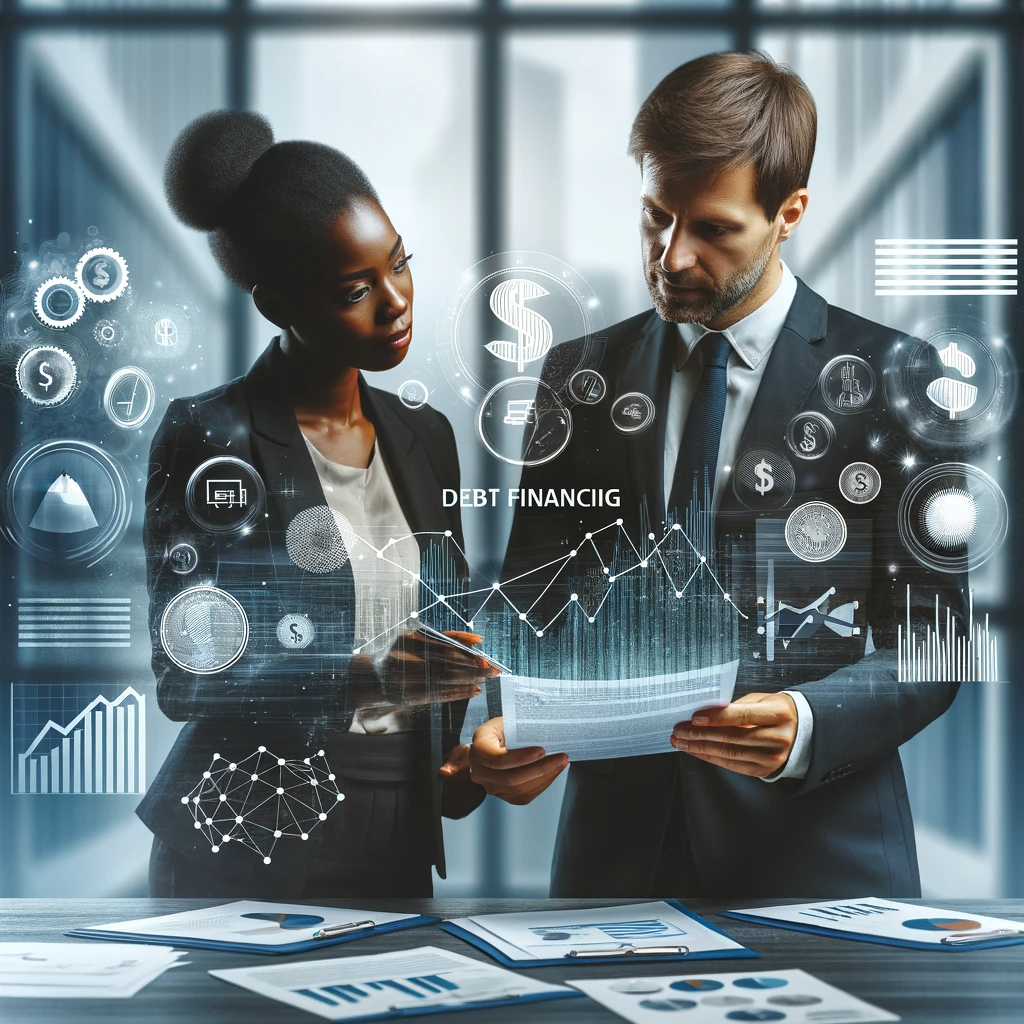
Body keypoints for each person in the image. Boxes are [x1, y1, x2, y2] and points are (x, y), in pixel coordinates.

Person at [469, 51, 968, 897]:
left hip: (821, 862)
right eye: (655, 217)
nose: (671, 256)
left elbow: (936, 638)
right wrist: (503, 721)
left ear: (790, 213)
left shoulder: (897, 381)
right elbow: (531, 598)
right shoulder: (577, 375)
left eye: (713, 229)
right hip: (613, 864)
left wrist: (809, 723)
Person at [137, 110, 491, 898]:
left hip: (398, 839)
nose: (396, 301)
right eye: (354, 289)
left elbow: (447, 629)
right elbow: (184, 676)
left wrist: (463, 767)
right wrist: (360, 675)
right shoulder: (211, 435)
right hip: (244, 843)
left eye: (400, 265)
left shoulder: (426, 437)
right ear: (276, 305)